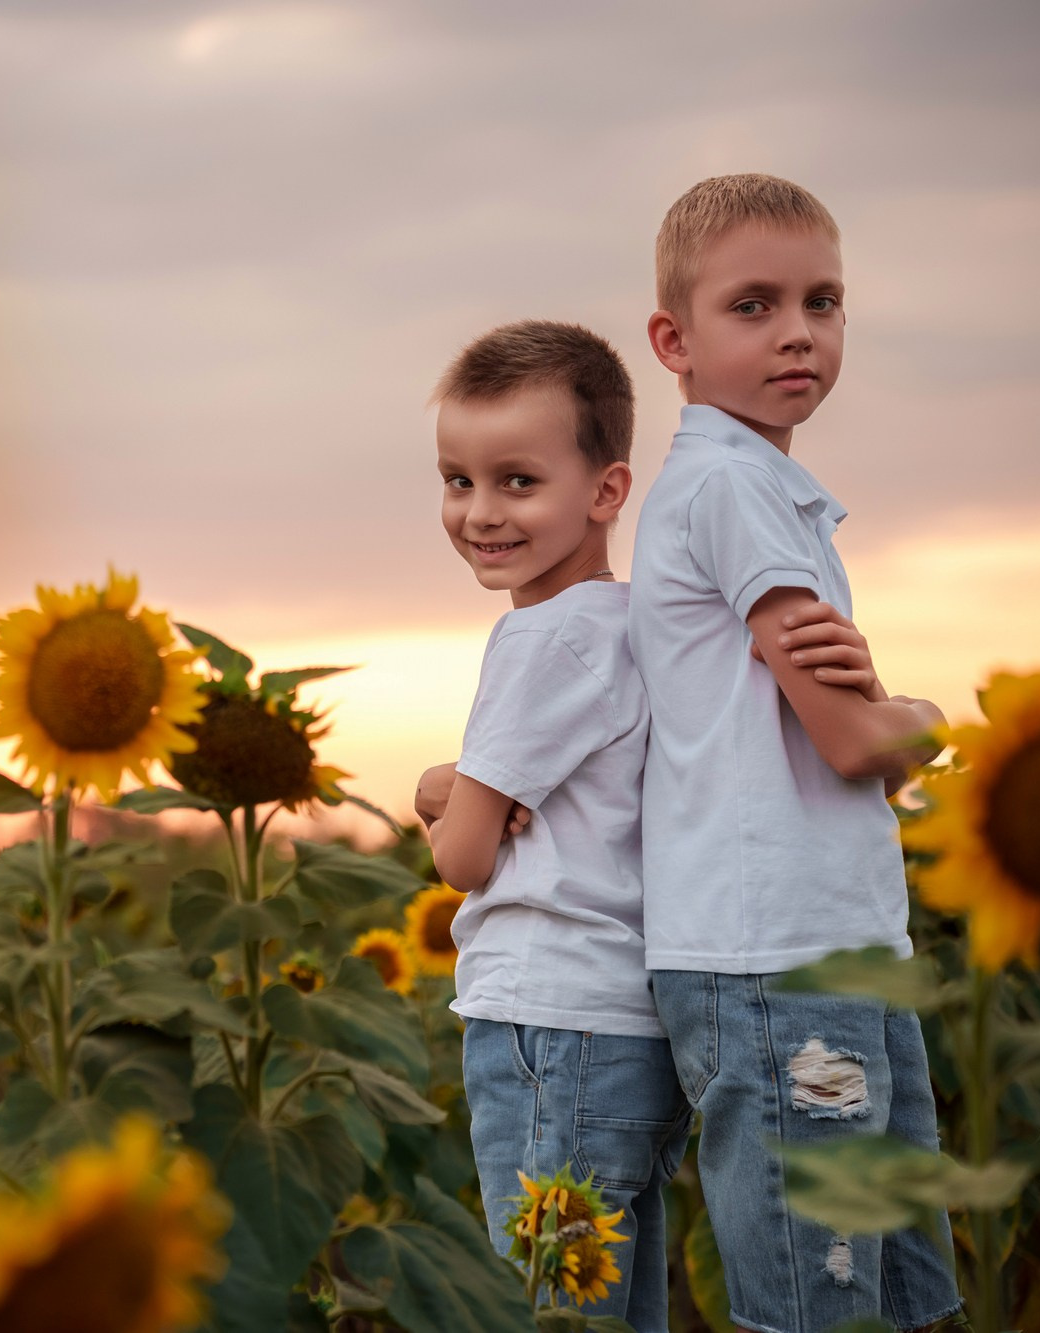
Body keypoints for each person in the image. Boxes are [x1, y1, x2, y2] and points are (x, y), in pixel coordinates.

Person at [631, 172, 963, 1332]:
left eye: (821, 303)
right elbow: (846, 738)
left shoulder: (763, 489)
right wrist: (921, 714)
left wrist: (884, 719)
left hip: (832, 947)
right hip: (773, 966)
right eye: (753, 305)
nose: (796, 334)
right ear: (671, 339)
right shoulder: (728, 487)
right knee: (819, 1304)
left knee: (901, 1295)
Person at [412, 319, 684, 1327]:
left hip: (547, 1025)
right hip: (626, 1025)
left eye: (516, 481)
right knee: (617, 1306)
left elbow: (464, 860)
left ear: (605, 491)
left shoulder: (541, 640)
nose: (478, 512)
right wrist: (466, 782)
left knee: (545, 1307)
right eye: (456, 479)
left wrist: (434, 795)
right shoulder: (627, 625)